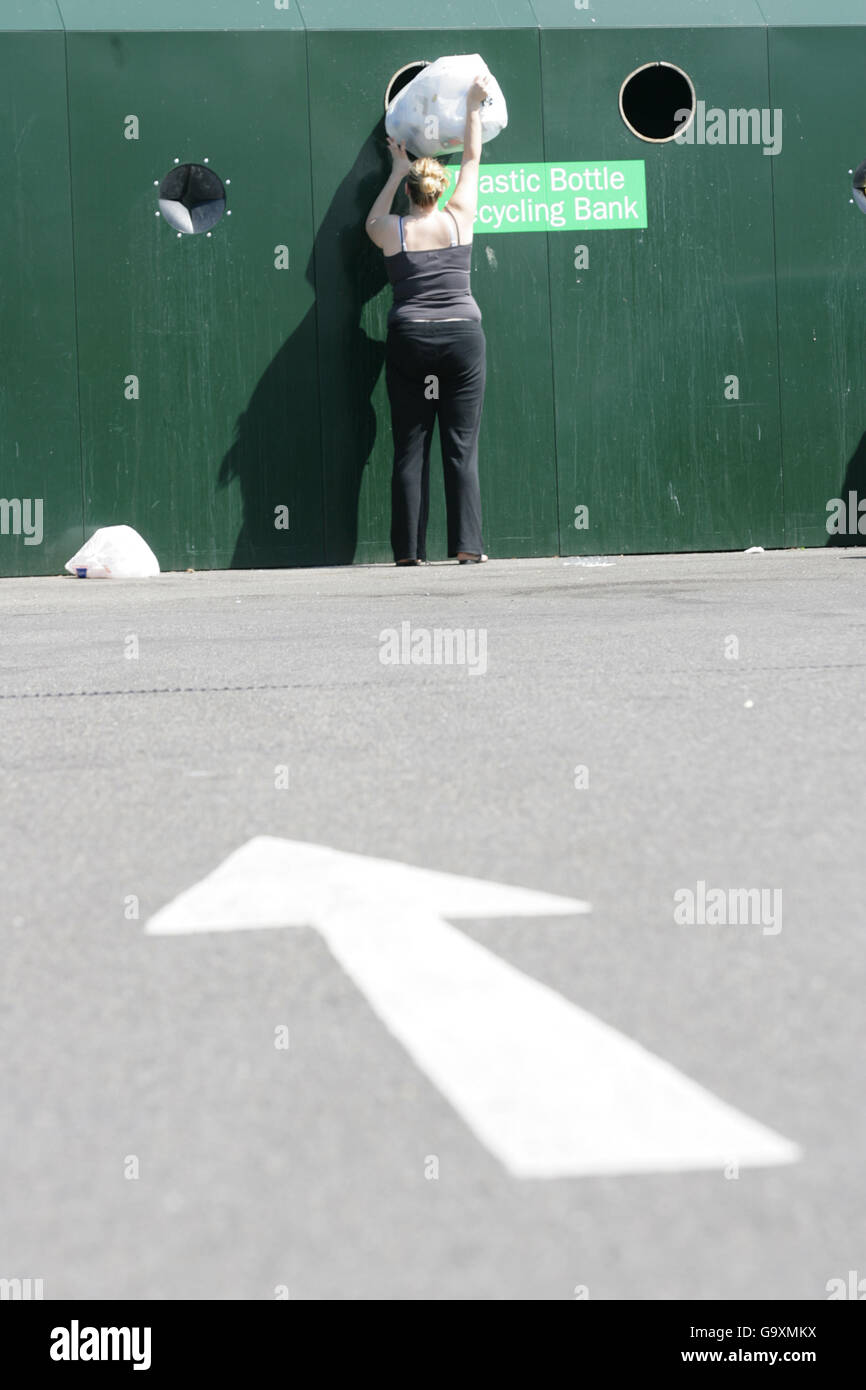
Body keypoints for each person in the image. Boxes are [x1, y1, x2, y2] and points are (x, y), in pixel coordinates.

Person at [366, 73, 491, 565]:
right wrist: (474, 107)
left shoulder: (392, 230)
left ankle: (408, 553)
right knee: (461, 446)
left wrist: (396, 171)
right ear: (438, 191)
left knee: (410, 445)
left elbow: (370, 222)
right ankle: (467, 547)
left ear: (412, 192)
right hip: (462, 337)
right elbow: (473, 158)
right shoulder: (460, 216)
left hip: (411, 338)